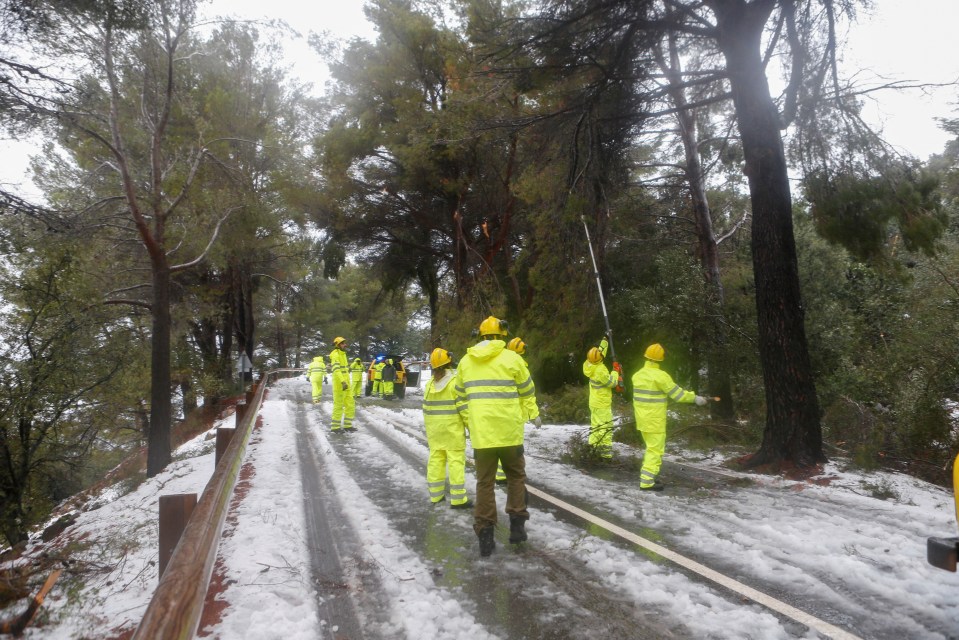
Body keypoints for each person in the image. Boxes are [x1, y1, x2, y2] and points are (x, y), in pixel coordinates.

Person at [455, 315, 541, 557]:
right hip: (510, 434)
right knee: (515, 477)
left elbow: (459, 398)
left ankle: (485, 534)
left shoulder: (465, 362)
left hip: (483, 436)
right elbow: (527, 392)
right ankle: (516, 526)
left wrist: (470, 421)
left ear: (480, 335)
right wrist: (533, 413)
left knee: (485, 483)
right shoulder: (513, 359)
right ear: (502, 335)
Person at [631, 343, 707, 491]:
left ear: (646, 357)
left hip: (642, 419)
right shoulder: (661, 376)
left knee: (651, 448)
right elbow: (678, 395)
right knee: (655, 450)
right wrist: (695, 398)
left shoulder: (637, 375)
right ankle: (646, 482)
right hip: (655, 421)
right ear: (661, 359)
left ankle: (650, 476)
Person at [423, 348, 471, 509]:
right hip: (452, 431)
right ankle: (458, 499)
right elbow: (464, 409)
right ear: (449, 361)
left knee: (436, 461)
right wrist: (472, 428)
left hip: (435, 431)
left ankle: (436, 495)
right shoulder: (455, 383)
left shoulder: (430, 384)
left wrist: (430, 428)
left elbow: (426, 408)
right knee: (456, 463)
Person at [582, 340, 620, 460]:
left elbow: (600, 351)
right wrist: (615, 372)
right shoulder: (601, 371)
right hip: (602, 404)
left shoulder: (588, 364)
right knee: (606, 428)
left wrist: (606, 339)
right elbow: (612, 383)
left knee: (595, 427)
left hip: (594, 402)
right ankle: (605, 455)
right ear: (600, 359)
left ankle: (592, 450)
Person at [328, 337, 356, 432]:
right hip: (340, 384)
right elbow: (336, 370)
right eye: (343, 343)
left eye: (345, 343)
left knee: (350, 404)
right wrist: (342, 381)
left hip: (346, 383)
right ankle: (335, 427)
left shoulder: (343, 354)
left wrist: (347, 382)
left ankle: (347, 425)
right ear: (338, 344)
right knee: (338, 405)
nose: (345, 345)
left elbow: (344, 370)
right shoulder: (335, 355)